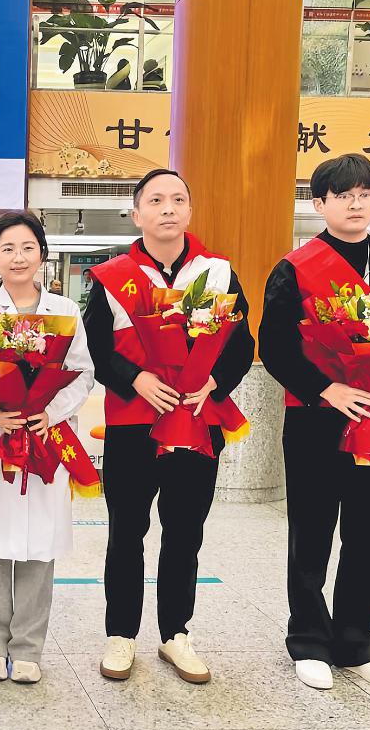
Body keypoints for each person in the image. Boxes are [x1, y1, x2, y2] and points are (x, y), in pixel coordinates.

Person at [260, 153, 370, 692]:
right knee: (312, 531)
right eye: (343, 195)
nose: (356, 204)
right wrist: (327, 389)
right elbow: (274, 346)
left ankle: (357, 642)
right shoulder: (295, 268)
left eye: (366, 194)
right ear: (320, 204)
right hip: (316, 419)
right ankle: (309, 641)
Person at [82, 168, 254, 685]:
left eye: (178, 199)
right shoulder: (111, 277)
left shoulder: (219, 273)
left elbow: (242, 344)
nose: (168, 209)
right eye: (156, 200)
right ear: (136, 214)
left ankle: (176, 633)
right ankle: (120, 634)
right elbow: (96, 349)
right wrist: (136, 379)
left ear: (190, 211)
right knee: (126, 531)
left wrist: (214, 384)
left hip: (197, 422)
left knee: (184, 531)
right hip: (133, 423)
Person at [0, 211, 95, 684]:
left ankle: (29, 647)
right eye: (7, 248)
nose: (18, 257)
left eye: (28, 247)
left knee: (39, 544)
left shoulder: (65, 312)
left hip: (44, 439)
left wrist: (51, 411)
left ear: (43, 255)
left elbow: (82, 374)